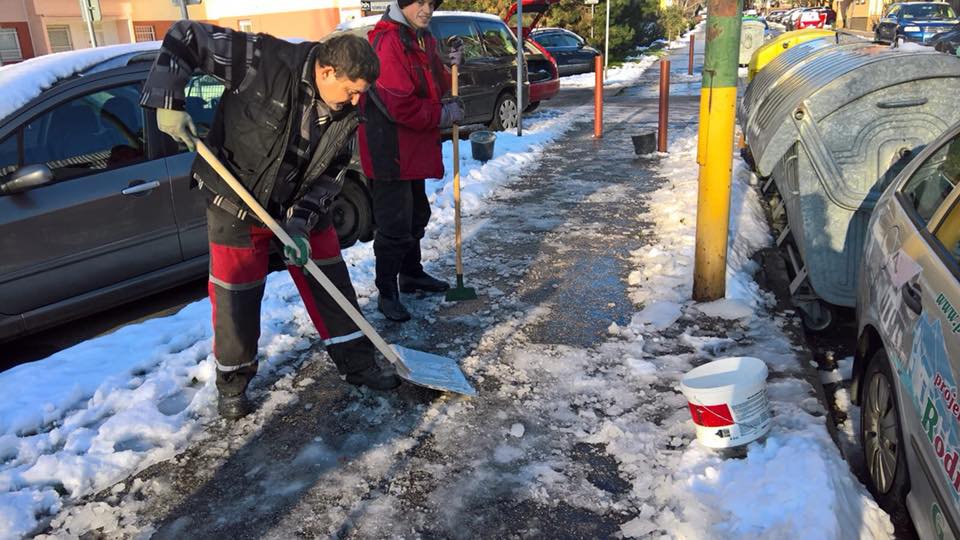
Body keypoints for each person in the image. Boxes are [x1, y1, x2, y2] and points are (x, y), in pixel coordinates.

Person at [140, 21, 401, 420]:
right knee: (235, 297)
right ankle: (233, 384)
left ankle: (359, 364)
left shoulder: (350, 107)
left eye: (359, 94)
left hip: (298, 201)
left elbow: (332, 173)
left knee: (331, 282)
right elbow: (186, 37)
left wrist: (300, 224)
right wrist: (166, 101)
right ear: (326, 71)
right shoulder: (263, 60)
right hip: (236, 200)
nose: (353, 101)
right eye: (350, 90)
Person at [358, 0, 465, 322]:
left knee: (416, 214)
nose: (426, 9)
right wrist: (442, 114)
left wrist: (451, 66)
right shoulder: (387, 41)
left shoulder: (422, 38)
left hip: (413, 146)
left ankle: (411, 274)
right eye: (419, 2)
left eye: (431, 3)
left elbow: (436, 84)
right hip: (389, 148)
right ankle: (387, 292)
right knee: (394, 225)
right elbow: (399, 105)